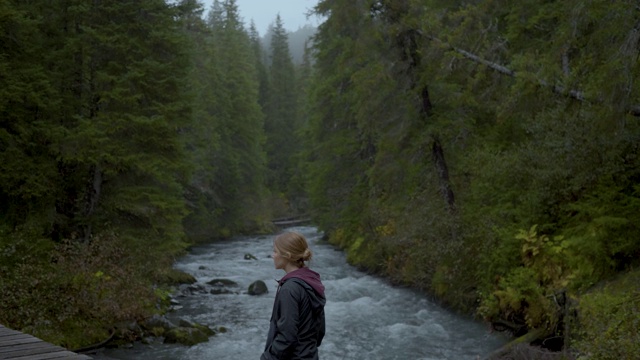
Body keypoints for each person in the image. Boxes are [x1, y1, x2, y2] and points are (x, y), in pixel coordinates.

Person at [261, 231, 326, 360]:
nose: (272, 255)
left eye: (275, 251)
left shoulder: (289, 289)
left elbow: (287, 337)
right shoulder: (312, 281)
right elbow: (320, 330)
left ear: (287, 255)